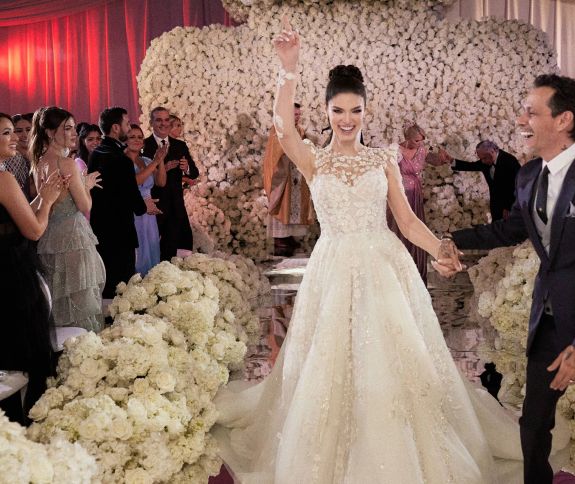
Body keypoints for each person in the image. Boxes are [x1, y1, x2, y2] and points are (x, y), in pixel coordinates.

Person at [213, 18, 542, 484]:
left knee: (390, 360)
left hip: (384, 266)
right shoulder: (314, 158)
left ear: (366, 111)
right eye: (338, 110)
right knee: (330, 362)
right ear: (327, 111)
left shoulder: (383, 159)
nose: (347, 119)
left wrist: (443, 248)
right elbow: (283, 130)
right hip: (332, 267)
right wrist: (289, 68)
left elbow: (406, 221)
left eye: (356, 110)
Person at [452, 74, 575, 484]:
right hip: (551, 322)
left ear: (563, 119)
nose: (521, 120)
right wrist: (451, 240)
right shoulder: (528, 174)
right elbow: (511, 229)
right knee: (533, 430)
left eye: (530, 113)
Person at [0, 112, 66, 425]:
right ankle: (24, 425)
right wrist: (49, 202)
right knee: (22, 353)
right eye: (6, 133)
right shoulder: (4, 179)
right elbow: (34, 230)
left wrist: (42, 196)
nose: (15, 138)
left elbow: (18, 216)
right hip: (12, 274)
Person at [30, 107, 105, 332]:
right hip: (73, 238)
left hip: (50, 236)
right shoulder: (66, 163)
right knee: (80, 299)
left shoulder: (39, 162)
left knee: (58, 298)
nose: (74, 133)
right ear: (50, 132)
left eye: (74, 128)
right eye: (68, 128)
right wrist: (87, 186)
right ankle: (83, 345)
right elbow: (85, 206)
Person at [88, 107, 146, 300]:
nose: (129, 128)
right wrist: (143, 207)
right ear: (115, 127)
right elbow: (131, 195)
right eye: (127, 124)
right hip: (120, 231)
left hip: (100, 228)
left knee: (105, 280)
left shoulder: (96, 153)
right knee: (122, 285)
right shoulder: (121, 159)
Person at [387, 122, 448, 283]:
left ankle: (416, 271)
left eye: (422, 140)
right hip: (398, 193)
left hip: (415, 194)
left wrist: (442, 159)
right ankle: (395, 271)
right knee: (398, 227)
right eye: (416, 140)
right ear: (407, 138)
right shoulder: (395, 150)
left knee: (416, 226)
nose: (420, 143)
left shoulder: (421, 150)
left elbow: (435, 160)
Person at [142, 107, 199, 260]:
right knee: (152, 252)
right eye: (159, 120)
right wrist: (160, 170)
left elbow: (194, 173)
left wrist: (186, 168)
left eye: (166, 120)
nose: (164, 123)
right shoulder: (144, 145)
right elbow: (138, 178)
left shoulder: (180, 146)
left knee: (173, 252)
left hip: (175, 206)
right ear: (151, 123)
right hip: (153, 206)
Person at [263, 103, 317, 257]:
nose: (297, 117)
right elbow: (275, 153)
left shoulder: (299, 130)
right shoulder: (278, 129)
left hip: (296, 174)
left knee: (295, 206)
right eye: (294, 115)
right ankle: (281, 241)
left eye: (299, 115)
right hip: (283, 175)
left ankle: (290, 238)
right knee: (282, 203)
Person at [446, 139, 522, 221]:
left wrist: (508, 207)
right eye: (481, 159)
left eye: (484, 158)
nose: (482, 161)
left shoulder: (510, 161)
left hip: (511, 206)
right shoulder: (486, 160)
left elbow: (518, 186)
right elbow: (471, 166)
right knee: (496, 226)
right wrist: (451, 161)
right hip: (496, 205)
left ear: (492, 151)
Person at [127, 124, 167, 276]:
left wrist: (160, 160)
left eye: (140, 137)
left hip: (149, 214)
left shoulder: (145, 160)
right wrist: (155, 162)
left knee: (151, 248)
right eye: (132, 137)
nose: (137, 140)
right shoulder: (122, 161)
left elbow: (161, 182)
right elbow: (134, 182)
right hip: (134, 210)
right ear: (125, 140)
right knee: (139, 252)